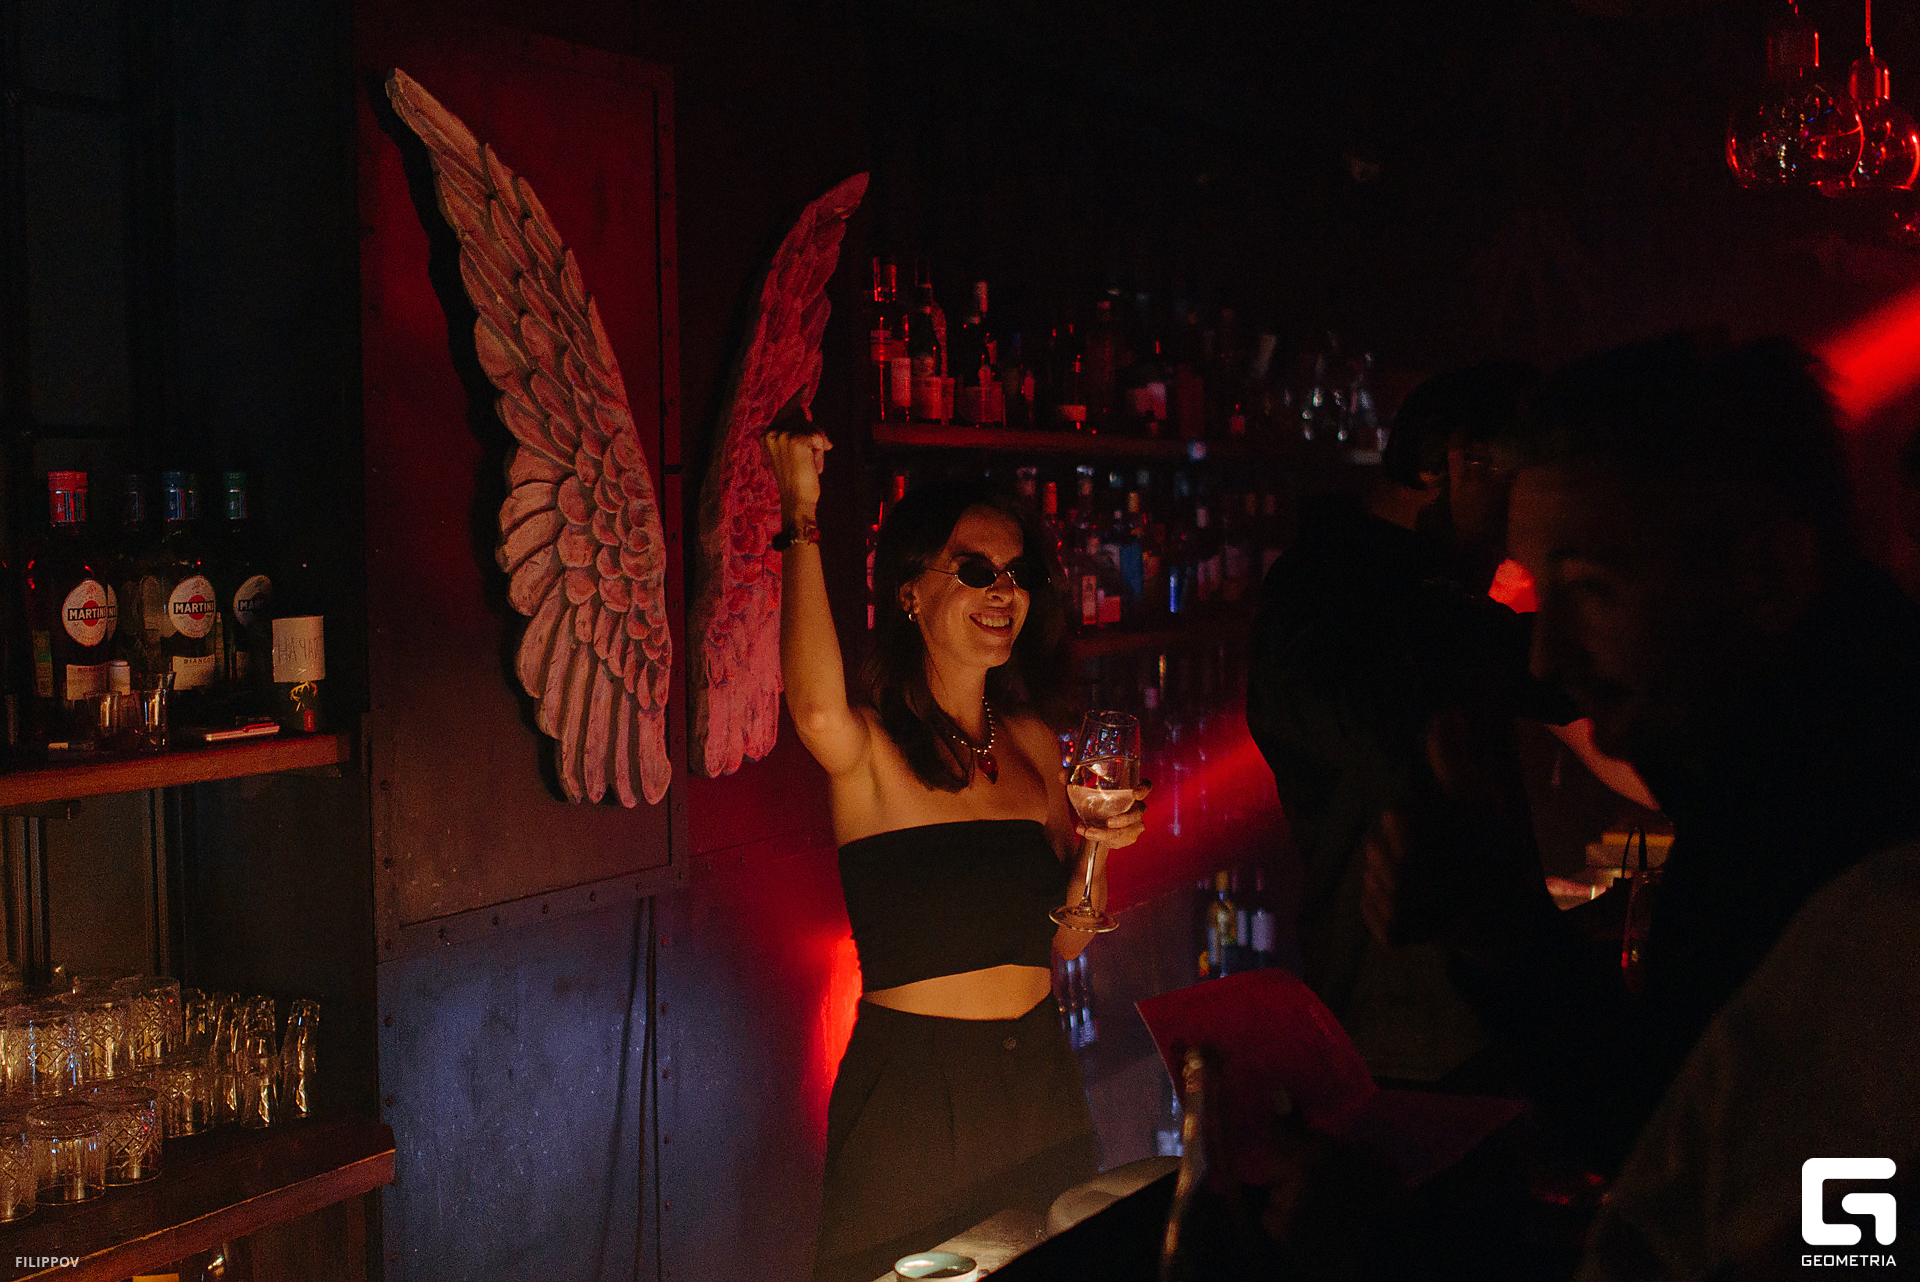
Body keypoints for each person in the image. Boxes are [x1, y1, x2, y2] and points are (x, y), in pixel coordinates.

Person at [1399, 332, 1920, 1177]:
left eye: (1591, 588)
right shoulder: (1788, 782)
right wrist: (1498, 927)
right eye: (1540, 591)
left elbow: (1736, 1201)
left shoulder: (1855, 862)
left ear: (1769, 577)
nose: (1545, 658)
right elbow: (1684, 1125)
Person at [762, 413, 1149, 1282]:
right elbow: (814, 709)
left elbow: (1065, 942)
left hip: (1039, 1075)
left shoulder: (1035, 745)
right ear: (910, 593)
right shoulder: (872, 745)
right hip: (913, 1093)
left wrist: (1099, 848)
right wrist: (800, 515)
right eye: (976, 570)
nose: (1004, 592)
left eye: (1019, 574)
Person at [1247, 360, 1589, 1086]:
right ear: (1455, 462)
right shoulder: (1325, 589)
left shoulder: (1428, 597)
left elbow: (1554, 677)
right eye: (1512, 482)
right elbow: (1367, 719)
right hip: (1401, 1029)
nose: (1518, 515)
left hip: (1461, 1013)